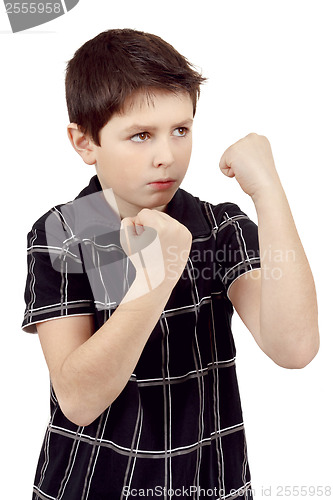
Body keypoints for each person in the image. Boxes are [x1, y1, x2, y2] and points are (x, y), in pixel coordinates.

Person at [21, 28, 319, 500]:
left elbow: (295, 347)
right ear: (84, 143)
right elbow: (77, 399)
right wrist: (154, 278)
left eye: (181, 130)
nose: (167, 156)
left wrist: (269, 192)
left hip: (210, 484)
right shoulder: (64, 233)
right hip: (92, 485)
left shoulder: (220, 227)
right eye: (140, 135)